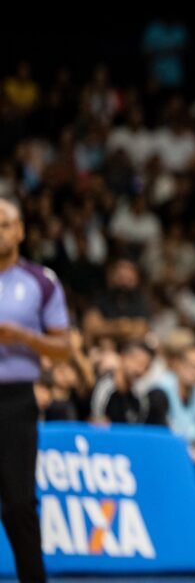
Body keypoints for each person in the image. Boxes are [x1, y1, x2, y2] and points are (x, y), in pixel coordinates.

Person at [0, 195, 71, 583]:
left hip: (15, 400)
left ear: (21, 231)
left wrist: (25, 338)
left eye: (5, 224)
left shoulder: (41, 281)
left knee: (19, 504)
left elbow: (64, 346)